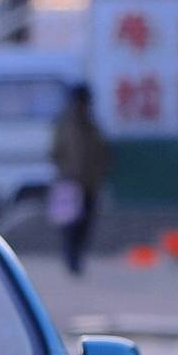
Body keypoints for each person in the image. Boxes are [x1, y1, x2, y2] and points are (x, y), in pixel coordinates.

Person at [45, 83, 111, 278]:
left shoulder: (91, 126)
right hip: (69, 183)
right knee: (69, 225)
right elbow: (55, 152)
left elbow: (102, 153)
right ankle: (71, 260)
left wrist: (98, 173)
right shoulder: (64, 125)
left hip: (89, 183)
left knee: (85, 224)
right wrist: (66, 172)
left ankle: (77, 258)